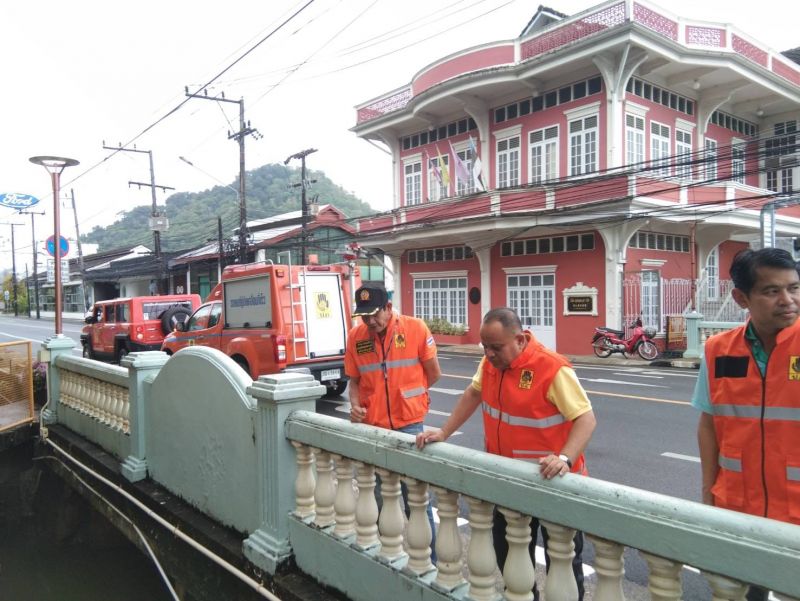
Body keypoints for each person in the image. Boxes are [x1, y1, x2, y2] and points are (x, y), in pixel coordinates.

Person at [416, 307, 596, 600]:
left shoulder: (552, 367)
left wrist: (563, 458)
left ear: (521, 339)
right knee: (507, 551)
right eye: (484, 346)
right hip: (510, 480)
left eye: (496, 347)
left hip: (553, 482)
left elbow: (586, 419)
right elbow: (473, 393)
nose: (489, 354)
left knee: (562, 563)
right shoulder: (490, 365)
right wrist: (444, 432)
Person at [692, 247, 800, 601]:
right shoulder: (717, 350)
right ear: (741, 298)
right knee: (739, 594)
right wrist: (708, 493)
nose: (788, 300)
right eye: (772, 291)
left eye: (794, 288)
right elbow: (709, 424)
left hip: (796, 512)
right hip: (738, 509)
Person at [345, 285, 441, 559]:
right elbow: (354, 380)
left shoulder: (415, 329)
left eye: (375, 314)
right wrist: (355, 405)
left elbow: (433, 373)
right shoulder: (356, 337)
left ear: (388, 307)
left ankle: (429, 561)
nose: (370, 322)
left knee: (417, 500)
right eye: (364, 317)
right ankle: (385, 556)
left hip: (409, 426)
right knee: (377, 497)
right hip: (373, 429)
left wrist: (412, 399)